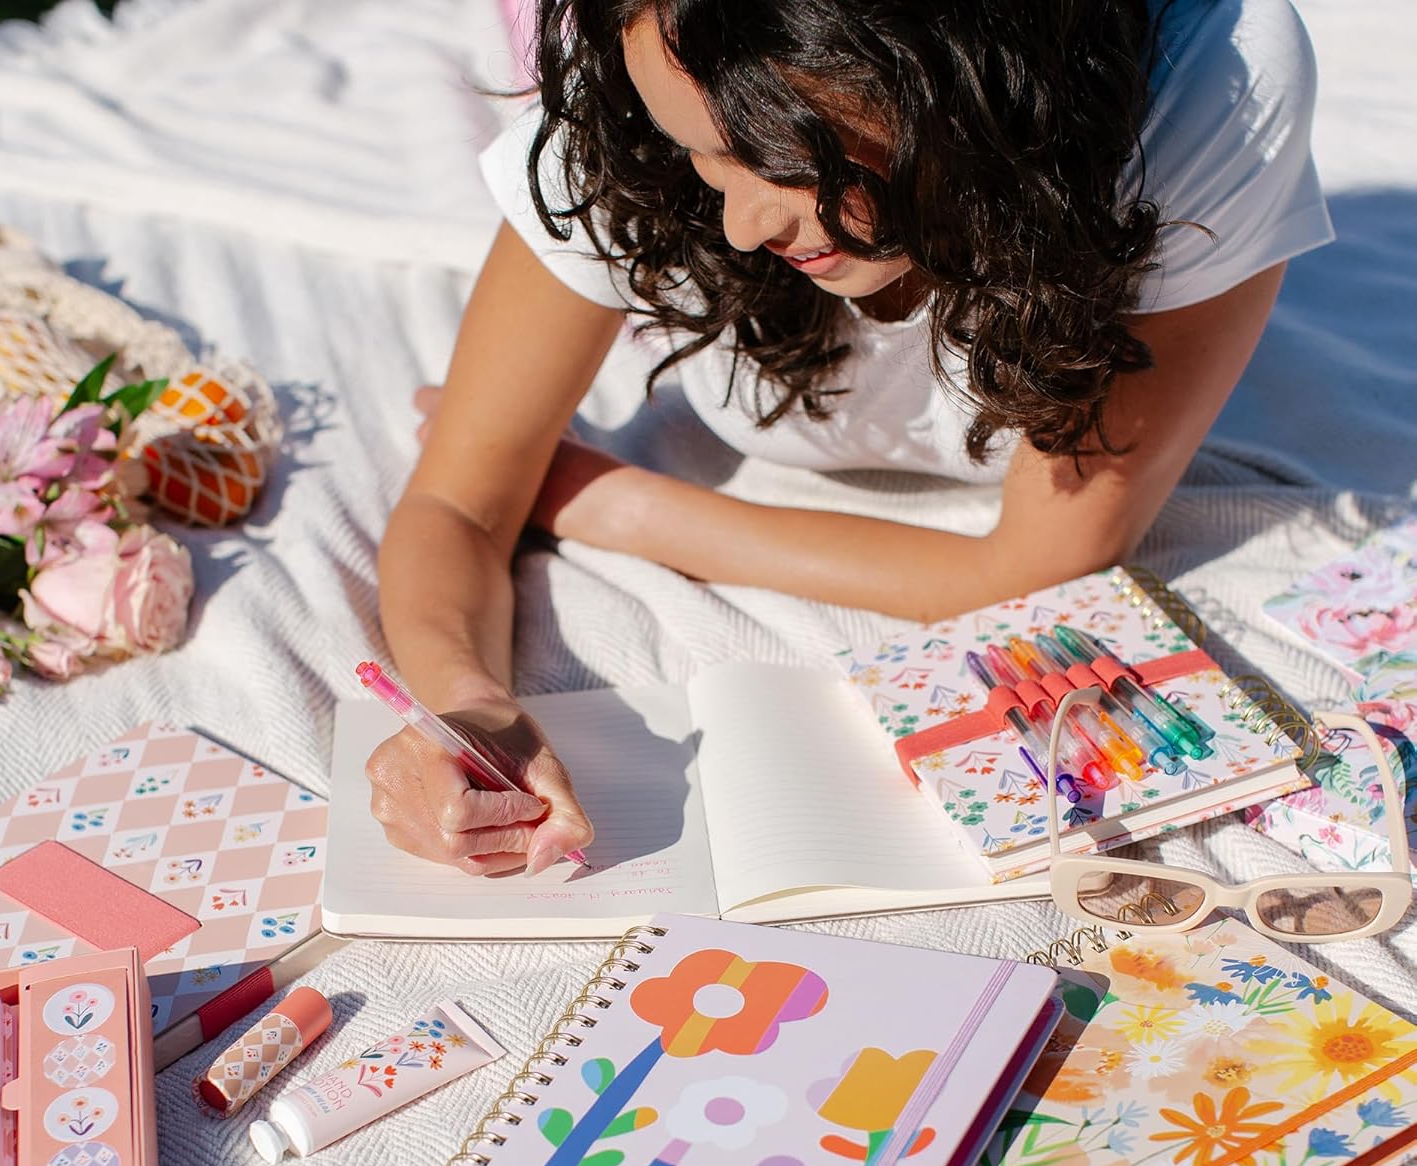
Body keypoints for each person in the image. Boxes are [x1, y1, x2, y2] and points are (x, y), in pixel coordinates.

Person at [368, 0, 1332, 875]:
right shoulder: (643, 91)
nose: (740, 225)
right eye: (702, 155)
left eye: (781, 156)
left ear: (950, 73)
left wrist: (615, 505)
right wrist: (470, 706)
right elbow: (455, 503)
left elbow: (1038, 564)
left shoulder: (1214, 77)